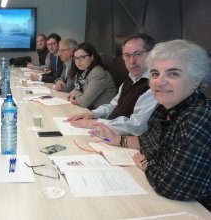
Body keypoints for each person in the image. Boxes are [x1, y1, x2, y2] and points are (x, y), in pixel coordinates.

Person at [90, 39, 211, 210]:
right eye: (154, 74)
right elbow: (147, 142)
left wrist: (146, 164)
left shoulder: (197, 118)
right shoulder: (165, 107)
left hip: (195, 209)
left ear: (196, 80)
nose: (159, 82)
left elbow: (170, 187)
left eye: (173, 74)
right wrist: (118, 140)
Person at [67, 33, 157, 135]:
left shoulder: (155, 85)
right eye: (127, 55)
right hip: (109, 130)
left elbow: (136, 126)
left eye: (138, 54)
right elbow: (113, 106)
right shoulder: (130, 78)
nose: (132, 61)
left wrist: (95, 123)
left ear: (151, 55)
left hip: (124, 140)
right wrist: (92, 114)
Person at [67, 42, 117, 109]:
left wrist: (76, 94)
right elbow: (71, 94)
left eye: (82, 57)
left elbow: (84, 102)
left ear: (92, 57)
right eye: (76, 58)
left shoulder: (98, 73)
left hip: (102, 115)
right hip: (88, 111)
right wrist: (75, 94)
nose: (78, 61)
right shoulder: (83, 71)